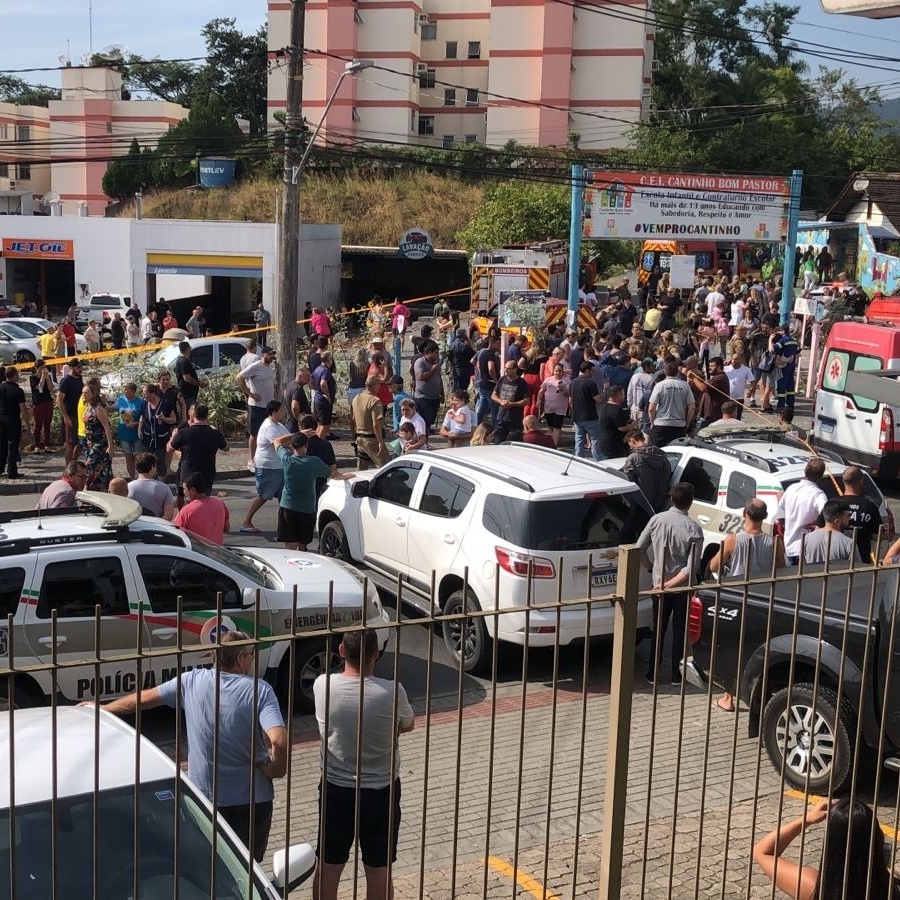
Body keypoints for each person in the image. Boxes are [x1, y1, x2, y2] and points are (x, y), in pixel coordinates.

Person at [99, 630, 286, 863]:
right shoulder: (260, 690)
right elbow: (278, 739)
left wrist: (103, 709)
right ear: (240, 658)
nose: (252, 659)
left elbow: (144, 699)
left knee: (205, 865)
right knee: (247, 870)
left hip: (204, 800)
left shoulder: (190, 681)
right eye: (251, 654)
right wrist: (276, 769)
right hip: (251, 803)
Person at [312, 629, 415, 900]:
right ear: (376, 653)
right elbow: (408, 723)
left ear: (341, 651)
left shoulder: (322, 685)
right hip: (380, 792)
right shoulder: (392, 692)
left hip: (336, 789)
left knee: (328, 865)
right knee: (378, 870)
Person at [709, 498, 784, 711]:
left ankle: (728, 697)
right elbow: (781, 568)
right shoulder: (775, 542)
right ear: (764, 517)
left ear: (745, 514)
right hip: (765, 602)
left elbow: (714, 564)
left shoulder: (734, 540)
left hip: (739, 600)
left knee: (734, 648)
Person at [753, 797, 900, 900]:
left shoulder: (814, 888)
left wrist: (806, 819)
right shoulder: (892, 887)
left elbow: (762, 851)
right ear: (876, 838)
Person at [637, 481, 704, 686]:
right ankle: (676, 674)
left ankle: (652, 673)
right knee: (679, 631)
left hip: (658, 586)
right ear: (690, 503)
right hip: (682, 588)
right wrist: (672, 583)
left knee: (659, 629)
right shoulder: (694, 529)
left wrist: (650, 567)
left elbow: (639, 547)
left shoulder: (656, 520)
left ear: (671, 498)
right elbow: (690, 567)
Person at [273, 432, 354, 551]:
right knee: (302, 545)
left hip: (287, 507)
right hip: (307, 509)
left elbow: (277, 441)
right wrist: (348, 476)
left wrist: (296, 434)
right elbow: (335, 475)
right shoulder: (314, 462)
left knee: (289, 546)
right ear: (306, 445)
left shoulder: (287, 459)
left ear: (291, 446)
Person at [239, 400, 289, 535]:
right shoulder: (269, 427)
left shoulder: (279, 425)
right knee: (264, 495)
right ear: (274, 412)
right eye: (281, 410)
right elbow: (281, 443)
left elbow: (288, 439)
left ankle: (286, 523)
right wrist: (299, 436)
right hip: (268, 466)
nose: (284, 413)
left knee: (284, 495)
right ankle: (246, 521)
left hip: (279, 466)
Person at [167, 403, 229, 504]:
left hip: (188, 472)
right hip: (207, 472)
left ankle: (189, 518)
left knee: (190, 503)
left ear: (193, 415)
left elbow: (169, 449)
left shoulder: (184, 433)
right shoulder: (214, 433)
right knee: (204, 501)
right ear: (207, 416)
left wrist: (173, 437)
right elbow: (226, 448)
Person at [775, 458, 827, 565]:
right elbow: (827, 512)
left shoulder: (791, 489)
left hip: (789, 547)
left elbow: (782, 505)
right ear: (821, 476)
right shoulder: (818, 494)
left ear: (805, 471)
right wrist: (818, 525)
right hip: (806, 548)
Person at [237, 345, 278, 466]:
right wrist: (250, 393)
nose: (272, 357)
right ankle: (252, 459)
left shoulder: (271, 367)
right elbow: (239, 377)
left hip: (269, 406)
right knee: (254, 433)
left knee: (269, 431)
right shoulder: (256, 366)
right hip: (256, 405)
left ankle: (266, 456)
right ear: (263, 355)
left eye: (273, 354)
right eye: (270, 354)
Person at [621, 428, 672, 513]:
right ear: (643, 439)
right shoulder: (662, 455)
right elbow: (668, 473)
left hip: (643, 505)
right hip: (661, 502)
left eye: (629, 443)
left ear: (632, 441)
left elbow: (627, 480)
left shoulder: (633, 458)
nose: (630, 447)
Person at [648, 359, 695, 447]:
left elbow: (651, 408)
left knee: (657, 453)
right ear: (677, 372)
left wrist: (652, 422)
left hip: (660, 424)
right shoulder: (685, 385)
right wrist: (687, 422)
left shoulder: (659, 385)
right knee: (677, 454)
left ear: (665, 372)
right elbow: (692, 407)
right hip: (679, 425)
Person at [174, 471, 230, 544]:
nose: (184, 492)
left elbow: (176, 535)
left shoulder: (187, 511)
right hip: (217, 552)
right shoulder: (220, 503)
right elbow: (226, 527)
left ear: (193, 490)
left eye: (185, 489)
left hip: (196, 553)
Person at [841, 465, 883, 563]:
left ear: (844, 481)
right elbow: (880, 534)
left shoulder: (832, 504)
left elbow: (820, 529)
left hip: (834, 560)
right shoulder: (870, 506)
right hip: (861, 560)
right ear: (861, 481)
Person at [802, 498, 860, 565]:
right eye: (848, 515)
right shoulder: (848, 543)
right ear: (837, 521)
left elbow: (803, 564)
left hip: (813, 575)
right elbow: (856, 568)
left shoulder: (807, 538)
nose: (850, 518)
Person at [138, 383, 176, 478]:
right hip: (148, 437)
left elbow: (173, 420)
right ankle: (146, 479)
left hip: (161, 437)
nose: (144, 396)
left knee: (160, 460)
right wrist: (139, 430)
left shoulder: (165, 403)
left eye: (145, 394)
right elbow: (142, 418)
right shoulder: (144, 403)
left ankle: (161, 481)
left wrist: (164, 419)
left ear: (153, 393)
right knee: (145, 459)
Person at [352, 375, 389, 470]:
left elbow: (353, 419)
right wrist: (381, 442)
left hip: (359, 438)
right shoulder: (375, 401)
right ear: (375, 385)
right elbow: (376, 424)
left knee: (361, 468)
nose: (380, 387)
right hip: (372, 439)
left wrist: (353, 435)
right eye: (379, 385)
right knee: (385, 466)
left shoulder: (356, 398)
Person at [82, 383, 114, 491]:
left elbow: (107, 427)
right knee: (99, 469)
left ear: (93, 394)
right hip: (90, 442)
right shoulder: (88, 407)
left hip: (100, 443)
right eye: (83, 393)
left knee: (89, 465)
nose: (84, 395)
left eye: (86, 393)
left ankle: (85, 487)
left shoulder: (98, 408)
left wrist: (110, 446)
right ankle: (96, 490)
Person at [570, 361, 603, 461]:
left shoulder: (573, 382)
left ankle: (579, 460)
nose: (593, 373)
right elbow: (598, 399)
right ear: (587, 370)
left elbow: (570, 400)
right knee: (595, 439)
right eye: (592, 371)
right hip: (590, 416)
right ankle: (597, 460)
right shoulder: (590, 383)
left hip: (577, 416)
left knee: (579, 440)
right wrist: (604, 394)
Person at [127, 452, 174, 519]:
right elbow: (168, 516)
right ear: (152, 467)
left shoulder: (128, 487)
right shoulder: (164, 488)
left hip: (134, 525)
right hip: (155, 526)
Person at [491, 359, 528, 444]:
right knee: (498, 442)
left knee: (514, 443)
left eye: (508, 368)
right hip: (501, 417)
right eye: (505, 368)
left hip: (515, 419)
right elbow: (493, 395)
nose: (506, 370)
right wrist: (500, 401)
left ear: (515, 369)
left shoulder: (521, 383)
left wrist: (513, 404)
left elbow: (526, 400)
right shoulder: (502, 380)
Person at [0, 367, 27, 479]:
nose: (19, 376)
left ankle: (0, 468)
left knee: (2, 445)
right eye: (17, 374)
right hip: (13, 421)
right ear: (14, 376)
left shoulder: (1, 387)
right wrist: (27, 424)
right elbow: (23, 408)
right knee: (13, 446)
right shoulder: (18, 391)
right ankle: (12, 471)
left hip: (1, 420)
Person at [413, 340, 444, 433]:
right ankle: (422, 441)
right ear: (429, 353)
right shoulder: (420, 362)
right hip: (423, 397)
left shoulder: (436, 362)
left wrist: (442, 393)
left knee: (429, 422)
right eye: (435, 353)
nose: (437, 355)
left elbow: (439, 377)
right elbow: (420, 377)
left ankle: (425, 441)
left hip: (435, 397)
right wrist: (432, 370)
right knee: (423, 422)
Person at [57, 358, 84, 463]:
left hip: (80, 415)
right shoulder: (66, 381)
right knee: (70, 442)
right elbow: (59, 400)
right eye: (78, 367)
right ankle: (68, 467)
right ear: (71, 367)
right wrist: (65, 417)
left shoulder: (79, 378)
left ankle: (73, 463)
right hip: (70, 415)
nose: (80, 369)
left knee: (81, 442)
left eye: (81, 366)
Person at [537, 360, 570, 447]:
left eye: (560, 371)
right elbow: (541, 391)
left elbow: (569, 395)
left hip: (561, 408)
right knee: (550, 426)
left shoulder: (566, 381)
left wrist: (563, 390)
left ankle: (554, 445)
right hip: (548, 407)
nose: (558, 372)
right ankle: (553, 439)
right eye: (556, 370)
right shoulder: (548, 380)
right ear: (553, 371)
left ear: (563, 371)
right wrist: (538, 400)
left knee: (557, 426)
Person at [115, 382, 142, 479]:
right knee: (129, 457)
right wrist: (103, 402)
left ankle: (140, 477)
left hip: (136, 433)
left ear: (133, 391)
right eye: (124, 389)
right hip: (124, 433)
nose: (124, 391)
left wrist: (136, 423)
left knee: (138, 458)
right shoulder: (120, 400)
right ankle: (132, 478)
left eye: (126, 389)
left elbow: (145, 419)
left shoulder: (141, 402)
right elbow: (111, 408)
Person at [473, 333, 501, 426]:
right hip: (490, 385)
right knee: (495, 410)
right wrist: (495, 380)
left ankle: (475, 426)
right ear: (491, 343)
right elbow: (491, 368)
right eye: (498, 343)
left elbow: (477, 364)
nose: (499, 346)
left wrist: (482, 374)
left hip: (483, 384)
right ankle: (494, 430)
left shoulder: (482, 352)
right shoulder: (490, 355)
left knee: (482, 408)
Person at [597, 384, 631, 460]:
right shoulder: (617, 410)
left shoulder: (602, 406)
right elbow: (622, 428)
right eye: (623, 394)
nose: (624, 396)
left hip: (603, 442)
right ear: (619, 394)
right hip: (615, 446)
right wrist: (632, 425)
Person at [173, 341, 208, 412]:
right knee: (191, 413)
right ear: (188, 349)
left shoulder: (181, 360)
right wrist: (199, 384)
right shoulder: (184, 361)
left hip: (188, 394)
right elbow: (187, 378)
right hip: (188, 394)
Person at [311, 350, 337, 441]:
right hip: (323, 401)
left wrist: (316, 389)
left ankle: (316, 442)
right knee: (324, 426)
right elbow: (323, 383)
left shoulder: (317, 369)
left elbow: (311, 381)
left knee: (319, 424)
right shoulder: (326, 371)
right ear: (328, 360)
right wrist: (328, 396)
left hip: (317, 399)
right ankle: (320, 445)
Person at [29, 359, 54, 453]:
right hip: (38, 403)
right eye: (42, 368)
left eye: (45, 367)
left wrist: (47, 378)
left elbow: (51, 388)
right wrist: (43, 377)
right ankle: (37, 445)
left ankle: (47, 444)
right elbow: (40, 388)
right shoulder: (33, 378)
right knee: (38, 425)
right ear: (36, 368)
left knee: (47, 424)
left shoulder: (48, 376)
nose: (44, 369)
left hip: (47, 402)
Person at [283, 365, 312, 434]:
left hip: (290, 422)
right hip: (295, 426)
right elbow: (294, 405)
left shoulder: (290, 385)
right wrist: (299, 419)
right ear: (300, 376)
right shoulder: (298, 389)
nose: (309, 378)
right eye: (307, 376)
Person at [723, 352, 753, 418]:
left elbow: (752, 381)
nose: (733, 361)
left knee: (737, 418)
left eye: (736, 359)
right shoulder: (725, 369)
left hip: (739, 399)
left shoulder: (746, 370)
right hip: (727, 398)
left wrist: (750, 390)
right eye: (733, 359)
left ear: (741, 360)